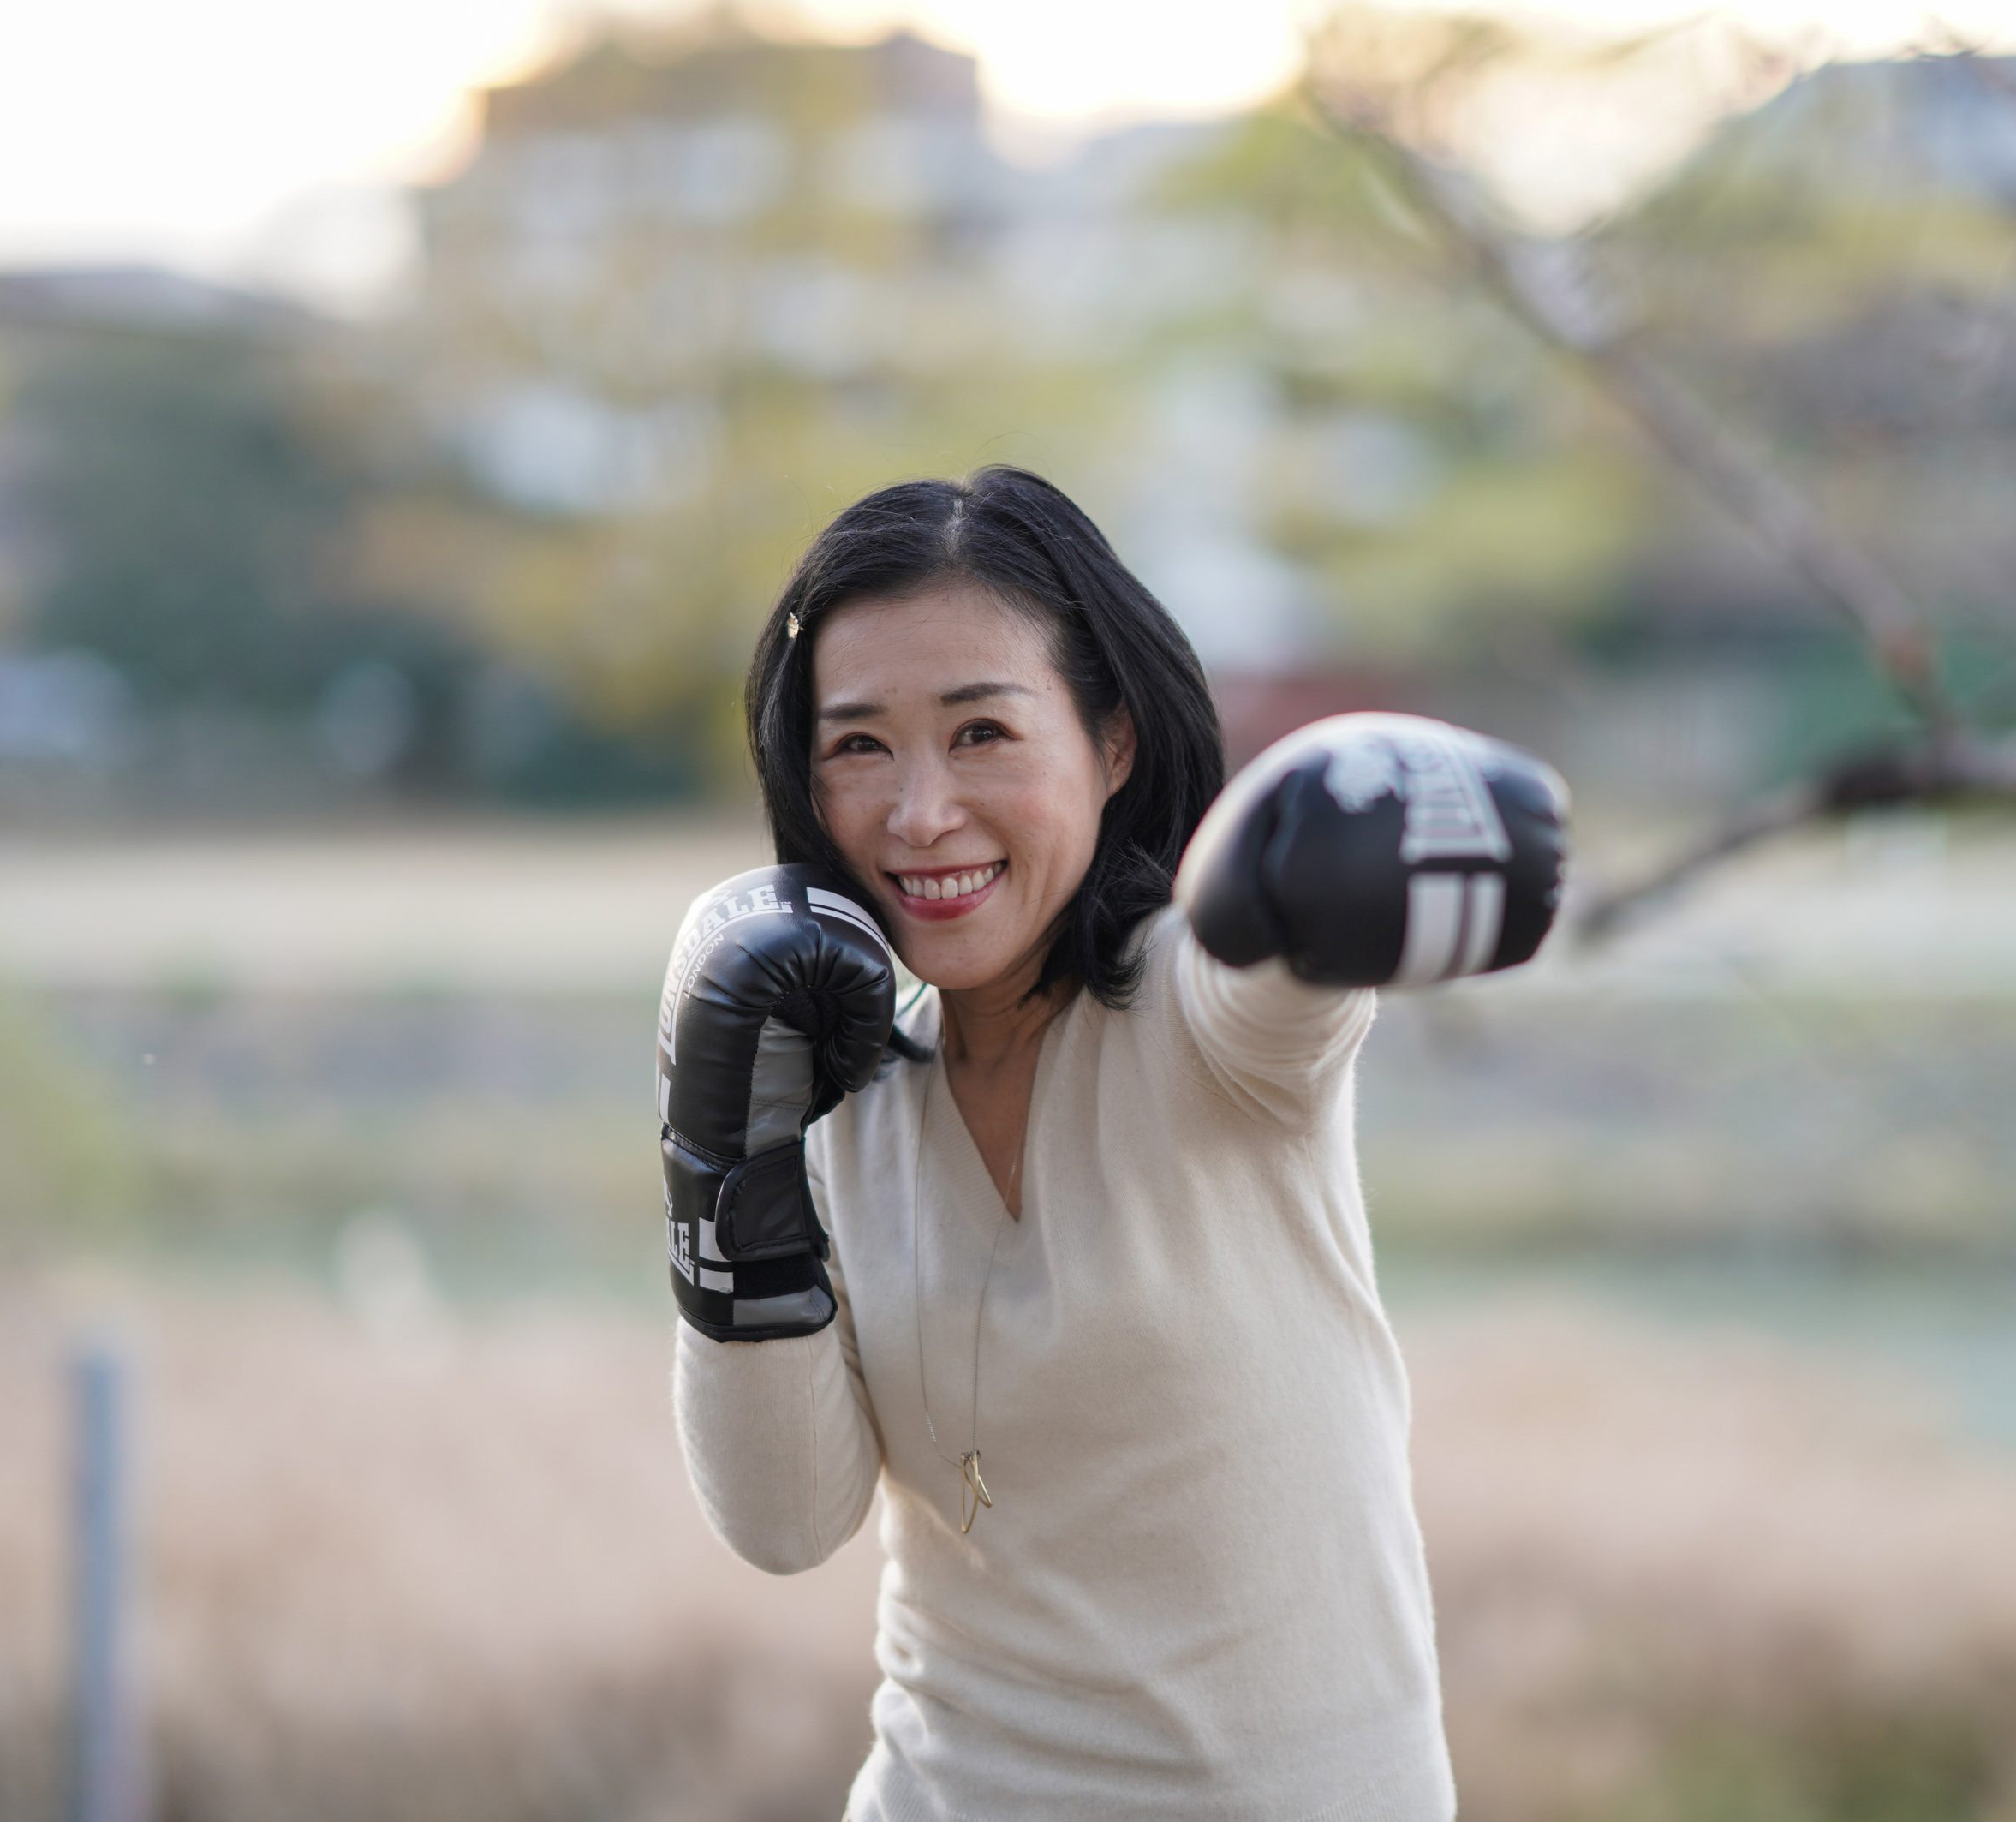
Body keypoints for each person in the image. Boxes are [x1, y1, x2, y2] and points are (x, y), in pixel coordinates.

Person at [657, 464, 1569, 1821]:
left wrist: (1328, 827)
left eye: (980, 733)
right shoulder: (837, 1081)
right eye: (860, 745)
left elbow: (1280, 974)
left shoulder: (1209, 1019)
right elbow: (786, 1527)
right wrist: (725, 1159)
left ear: (1114, 743)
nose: (918, 815)